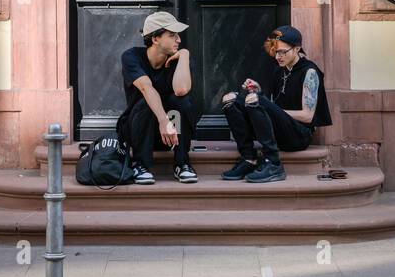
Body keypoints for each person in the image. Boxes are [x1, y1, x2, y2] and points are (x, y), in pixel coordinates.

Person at [220, 25, 332, 183]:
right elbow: (271, 108)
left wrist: (266, 105)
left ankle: (273, 163)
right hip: (278, 132)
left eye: (282, 52)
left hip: (298, 136)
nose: (278, 56)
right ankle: (248, 158)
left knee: (257, 100)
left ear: (297, 49)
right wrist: (259, 93)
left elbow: (307, 116)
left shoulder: (309, 72)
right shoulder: (278, 70)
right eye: (275, 51)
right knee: (230, 100)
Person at [114, 11, 202, 184]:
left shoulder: (179, 58)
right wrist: (163, 120)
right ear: (155, 39)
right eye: (172, 35)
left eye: (178, 35)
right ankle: (141, 165)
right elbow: (147, 89)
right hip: (138, 131)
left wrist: (184, 55)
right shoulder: (132, 57)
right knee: (146, 101)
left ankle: (182, 163)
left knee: (181, 102)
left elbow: (181, 90)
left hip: (171, 136)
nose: (179, 40)